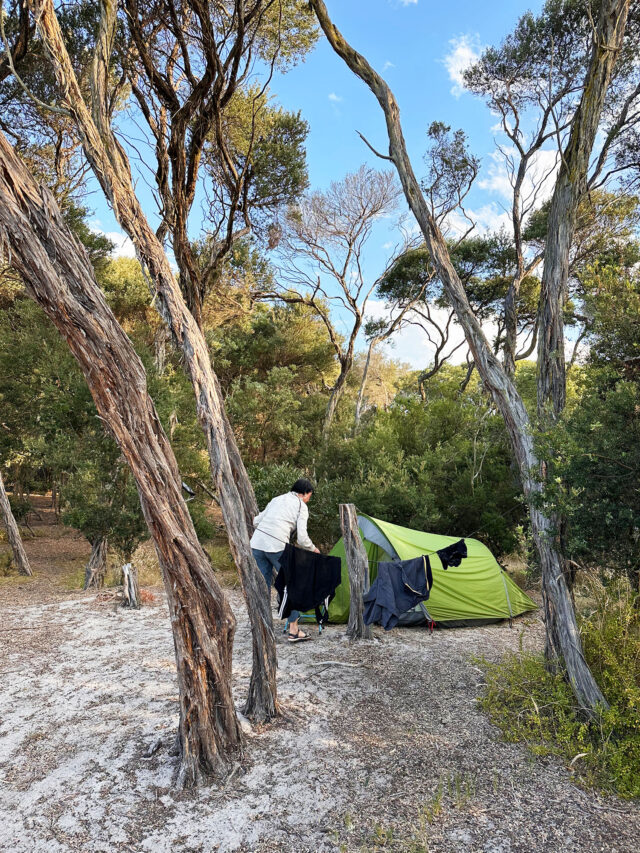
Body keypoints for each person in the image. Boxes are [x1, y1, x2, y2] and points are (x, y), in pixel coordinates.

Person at [250, 478, 320, 642]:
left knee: (262, 587)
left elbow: (256, 521)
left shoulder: (276, 499)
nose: (309, 499)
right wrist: (313, 549)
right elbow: (302, 538)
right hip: (277, 547)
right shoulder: (301, 505)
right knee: (292, 585)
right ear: (304, 494)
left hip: (257, 545)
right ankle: (294, 630)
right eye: (309, 495)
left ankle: (262, 630)